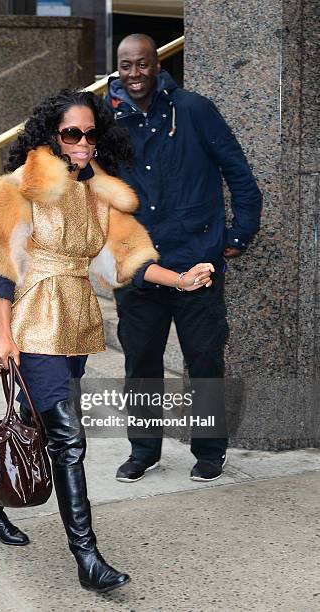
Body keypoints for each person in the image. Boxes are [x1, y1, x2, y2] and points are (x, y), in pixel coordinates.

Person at [0, 89, 215, 593]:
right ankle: (87, 558)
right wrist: (3, 336)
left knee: (32, 421)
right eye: (72, 133)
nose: (82, 142)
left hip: (72, 320)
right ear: (51, 135)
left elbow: (122, 260)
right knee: (69, 439)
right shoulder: (22, 187)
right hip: (30, 321)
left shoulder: (96, 194)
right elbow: (0, 266)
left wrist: (181, 280)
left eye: (91, 133)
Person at [107, 34, 263, 484]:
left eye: (142, 64)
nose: (134, 74)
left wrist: (239, 233)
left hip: (196, 265)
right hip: (139, 267)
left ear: (157, 65)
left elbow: (238, 172)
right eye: (125, 65)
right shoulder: (108, 121)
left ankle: (210, 451)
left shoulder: (193, 109)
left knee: (205, 361)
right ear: (117, 68)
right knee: (141, 363)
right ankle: (143, 450)